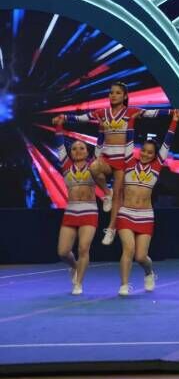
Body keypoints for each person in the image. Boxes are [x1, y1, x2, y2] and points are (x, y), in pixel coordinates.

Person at [59, 82, 173, 246]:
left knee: (119, 194)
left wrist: (172, 112)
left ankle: (111, 229)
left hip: (123, 160)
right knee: (93, 168)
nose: (113, 95)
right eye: (111, 92)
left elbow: (152, 113)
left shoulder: (131, 111)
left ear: (125, 96)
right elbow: (82, 118)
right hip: (106, 158)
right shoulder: (102, 113)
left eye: (118, 93)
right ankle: (107, 192)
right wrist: (64, 117)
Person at [115, 109, 179, 296]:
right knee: (128, 249)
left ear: (154, 155)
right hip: (126, 213)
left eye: (150, 152)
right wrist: (131, 121)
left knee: (141, 256)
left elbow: (167, 143)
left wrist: (174, 121)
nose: (145, 154)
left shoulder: (156, 167)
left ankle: (149, 272)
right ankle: (124, 285)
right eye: (143, 150)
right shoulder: (129, 162)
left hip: (145, 216)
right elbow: (128, 141)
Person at [51, 116, 98, 295]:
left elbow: (101, 146)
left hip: (89, 211)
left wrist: (102, 128)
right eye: (74, 148)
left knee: (83, 248)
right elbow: (60, 143)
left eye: (82, 148)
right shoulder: (66, 165)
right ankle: (74, 266)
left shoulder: (94, 165)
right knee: (63, 252)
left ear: (87, 152)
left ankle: (78, 283)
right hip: (71, 212)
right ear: (70, 153)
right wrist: (59, 126)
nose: (78, 150)